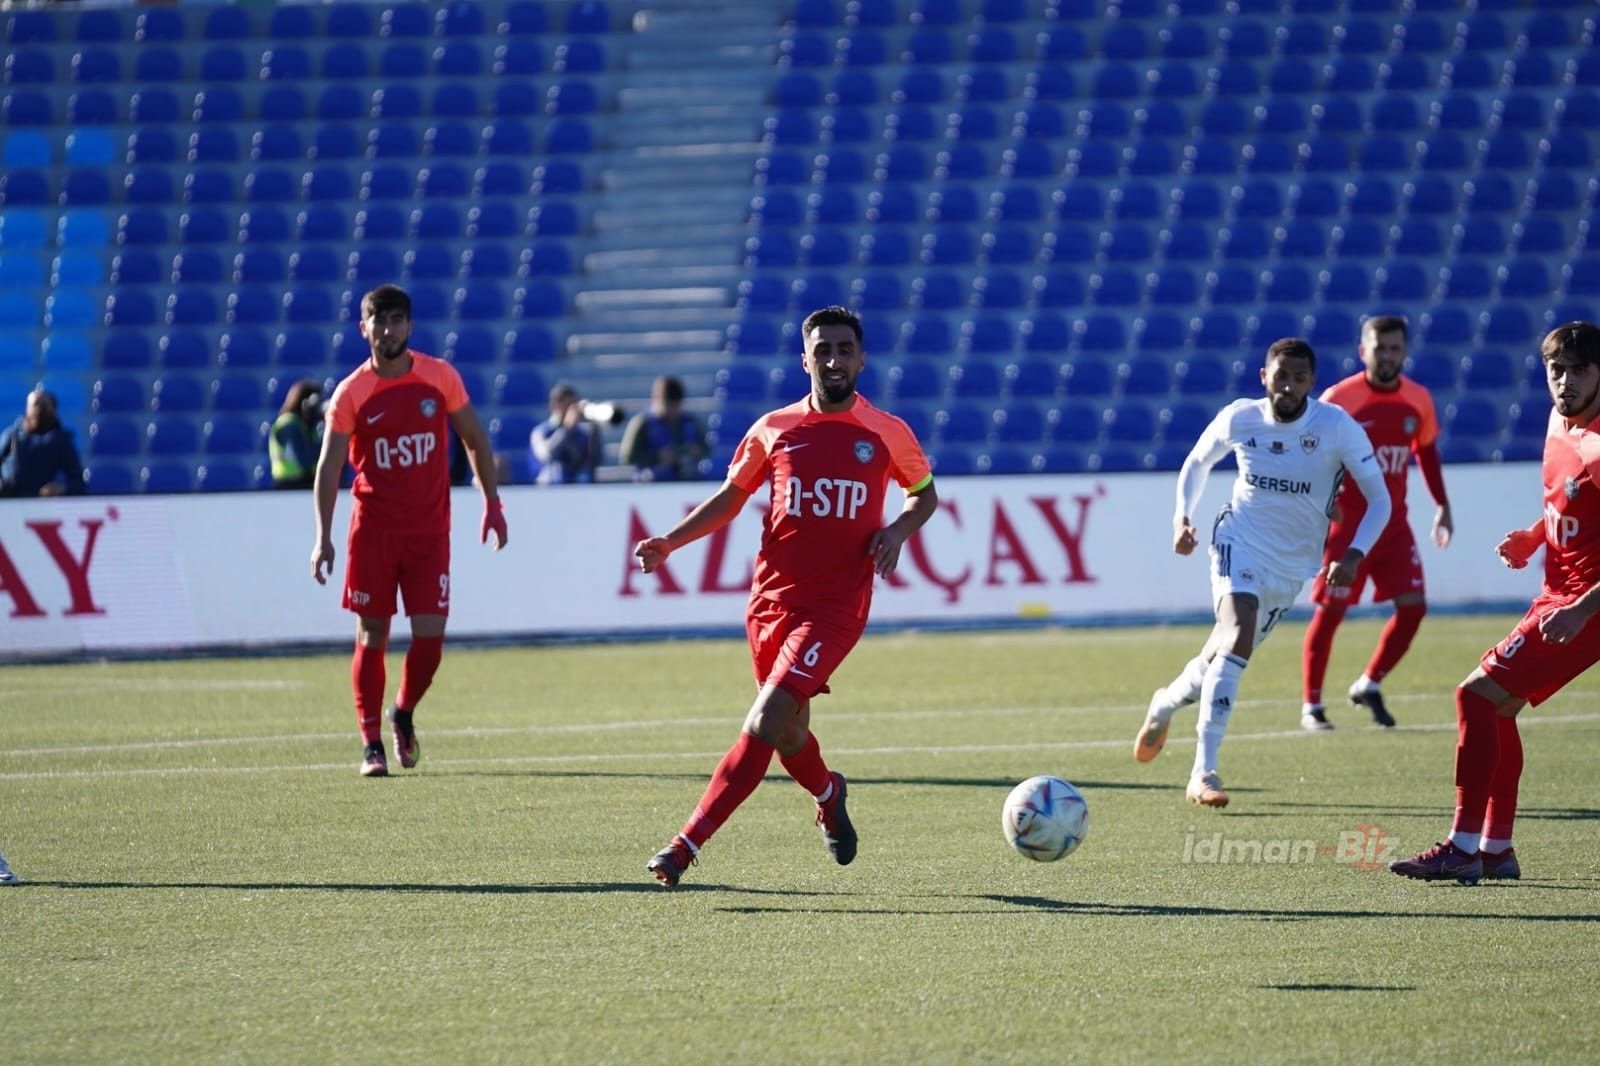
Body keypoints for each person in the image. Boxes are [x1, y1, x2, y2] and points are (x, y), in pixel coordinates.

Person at [634, 305, 936, 887]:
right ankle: (828, 791)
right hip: (770, 605)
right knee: (790, 733)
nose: (834, 360)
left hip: (836, 608)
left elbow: (923, 494)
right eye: (822, 350)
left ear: (861, 357)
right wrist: (671, 542)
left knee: (766, 719)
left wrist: (897, 531)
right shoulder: (773, 428)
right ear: (805, 359)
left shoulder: (887, 431)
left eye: (844, 349)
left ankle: (684, 845)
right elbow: (730, 497)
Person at [1133, 338, 1392, 809]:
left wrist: (1354, 554)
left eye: (1298, 378)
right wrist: (1181, 518)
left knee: (1218, 659)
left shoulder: (1337, 428)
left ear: (1312, 383)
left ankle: (1166, 702)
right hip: (1238, 541)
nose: (1288, 386)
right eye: (1280, 376)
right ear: (1264, 377)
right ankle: (1202, 772)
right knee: (1236, 634)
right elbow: (1197, 462)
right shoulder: (1241, 417)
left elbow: (1381, 500)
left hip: (1292, 567)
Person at [1391, 322, 1600, 885]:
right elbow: (1570, 501)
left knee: (1475, 697)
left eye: (1580, 370)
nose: (1565, 381)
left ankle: (1462, 847)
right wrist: (1539, 535)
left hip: (1585, 607)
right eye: (1557, 370)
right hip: (1557, 595)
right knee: (1494, 707)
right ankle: (1495, 851)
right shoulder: (1559, 422)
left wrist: (1584, 609)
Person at [310, 284, 509, 778]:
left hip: (428, 534)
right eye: (379, 320)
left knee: (430, 639)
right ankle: (370, 743)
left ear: (410, 327)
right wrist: (323, 535)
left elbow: (475, 440)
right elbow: (329, 466)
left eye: (397, 320)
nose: (388, 329)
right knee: (372, 633)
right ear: (364, 329)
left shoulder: (439, 377)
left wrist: (492, 503)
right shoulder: (352, 392)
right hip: (373, 531)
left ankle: (402, 712)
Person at [1300, 316, 1453, 730]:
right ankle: (1311, 706)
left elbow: (1426, 452)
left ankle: (1369, 682)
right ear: (1362, 350)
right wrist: (1320, 504)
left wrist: (1442, 505)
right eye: (1379, 347)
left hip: (1393, 525)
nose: (1387, 356)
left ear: (1404, 351)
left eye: (1394, 348)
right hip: (1349, 526)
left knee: (1413, 608)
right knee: (1331, 612)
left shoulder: (1418, 399)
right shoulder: (1340, 399)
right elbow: (1313, 454)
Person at [619, 374, 708, 482]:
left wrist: (695, 451)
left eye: (676, 406)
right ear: (656, 399)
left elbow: (707, 449)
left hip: (687, 482)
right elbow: (627, 457)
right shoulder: (642, 423)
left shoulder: (690, 421)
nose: (673, 412)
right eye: (668, 406)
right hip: (651, 485)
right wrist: (658, 457)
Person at [0, 387, 85, 498]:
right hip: (8, 502)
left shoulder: (60, 441)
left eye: (45, 406)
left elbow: (78, 482)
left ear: (53, 411)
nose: (39, 410)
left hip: (40, 505)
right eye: (36, 404)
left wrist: (60, 489)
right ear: (27, 409)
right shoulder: (12, 436)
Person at [530, 382, 602, 485]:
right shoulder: (541, 431)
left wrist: (595, 429)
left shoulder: (583, 434)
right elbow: (546, 454)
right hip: (549, 489)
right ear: (554, 406)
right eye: (567, 406)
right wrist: (567, 429)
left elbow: (595, 461)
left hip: (576, 488)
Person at [268, 379, 325, 489]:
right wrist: (326, 438)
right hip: (289, 485)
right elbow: (305, 460)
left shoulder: (305, 426)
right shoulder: (288, 424)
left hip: (304, 484)